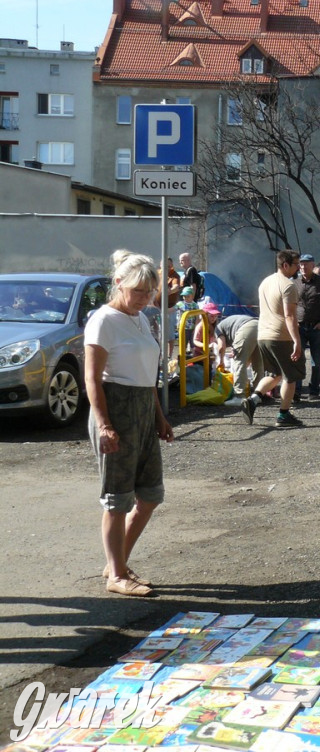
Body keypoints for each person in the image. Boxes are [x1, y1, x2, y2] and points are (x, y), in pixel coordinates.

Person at [84, 250, 173, 597]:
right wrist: (105, 425)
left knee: (150, 494)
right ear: (118, 284)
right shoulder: (103, 320)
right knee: (117, 498)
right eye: (137, 291)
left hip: (143, 411)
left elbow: (147, 376)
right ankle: (117, 575)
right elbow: (92, 378)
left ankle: (116, 561)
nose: (143, 298)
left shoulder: (140, 319)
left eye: (149, 292)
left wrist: (159, 416)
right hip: (115, 410)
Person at [242, 250, 304, 428]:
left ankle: (253, 400)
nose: (298, 268)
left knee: (275, 374)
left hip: (263, 335)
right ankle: (283, 415)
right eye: (295, 264)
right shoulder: (288, 285)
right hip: (281, 336)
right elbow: (290, 316)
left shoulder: (265, 282)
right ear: (286, 265)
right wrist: (297, 342)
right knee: (290, 377)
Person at [295, 253, 320, 398]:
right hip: (299, 327)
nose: (303, 267)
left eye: (306, 264)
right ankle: (296, 391)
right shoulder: (294, 282)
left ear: (313, 265)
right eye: (301, 264)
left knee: (316, 362)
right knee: (298, 359)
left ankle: (314, 390)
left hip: (316, 327)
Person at [214, 312, 262, 401]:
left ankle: (239, 396)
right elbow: (248, 357)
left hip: (246, 328)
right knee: (258, 363)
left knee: (239, 362)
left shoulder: (217, 329)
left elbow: (221, 346)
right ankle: (258, 394)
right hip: (259, 325)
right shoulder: (228, 327)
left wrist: (221, 361)